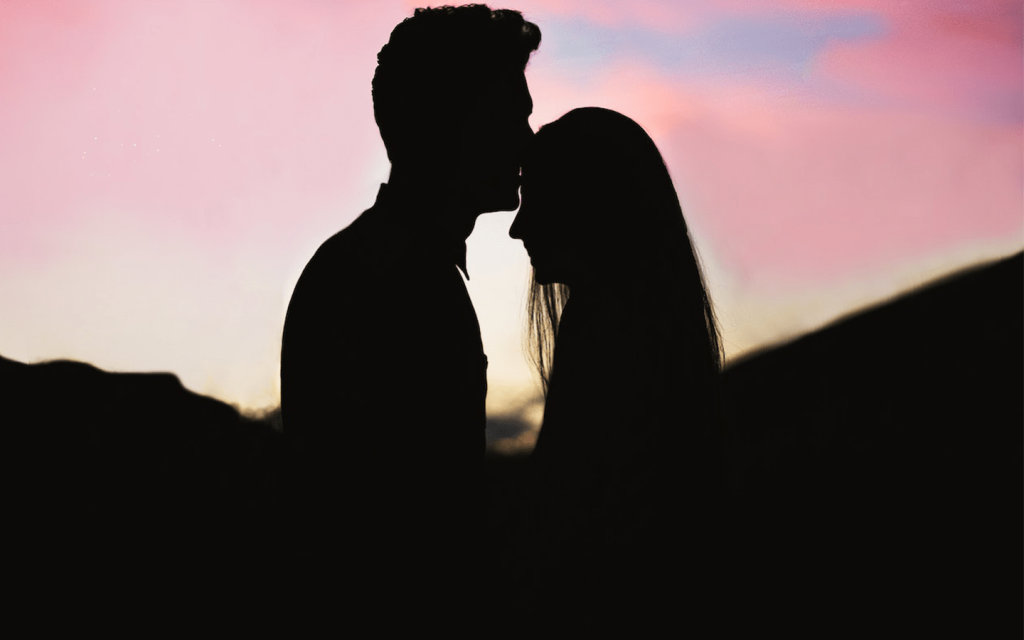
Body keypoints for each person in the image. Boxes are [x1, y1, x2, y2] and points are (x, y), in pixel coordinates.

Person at [279, 5, 539, 614]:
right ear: (454, 121)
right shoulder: (395, 279)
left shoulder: (377, 262)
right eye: (512, 116)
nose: (528, 141)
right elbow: (412, 532)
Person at [508, 107, 728, 622]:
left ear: (587, 205)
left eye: (535, 200)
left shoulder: (602, 328)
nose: (518, 227)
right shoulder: (649, 324)